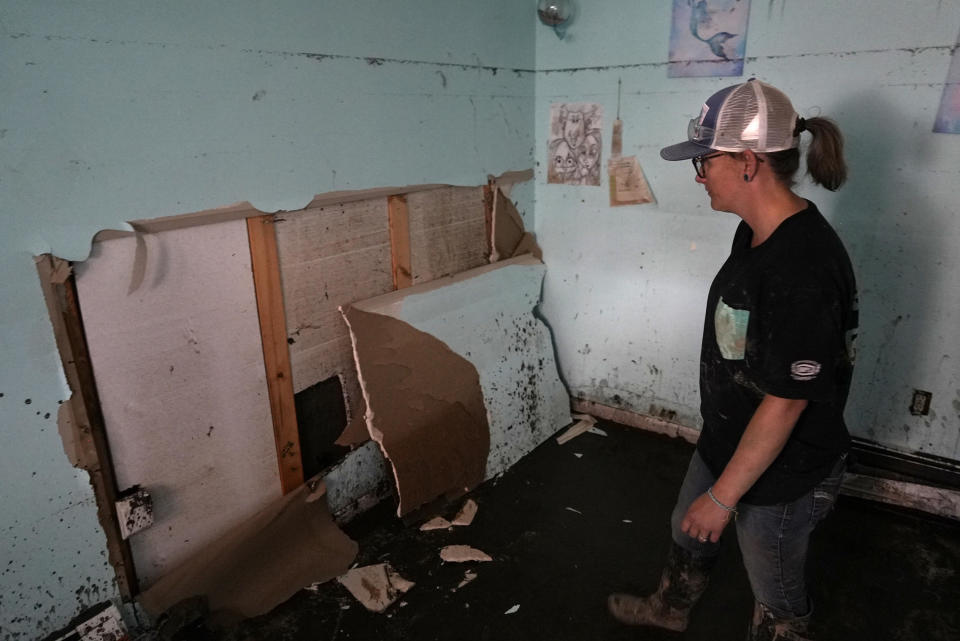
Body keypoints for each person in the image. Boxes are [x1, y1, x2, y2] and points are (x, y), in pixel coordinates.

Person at [607, 79, 858, 640]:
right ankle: (670, 608)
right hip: (733, 436)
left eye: (704, 162)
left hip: (788, 465)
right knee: (686, 525)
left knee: (774, 588)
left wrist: (723, 498)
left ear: (748, 162)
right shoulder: (754, 234)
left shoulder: (803, 269)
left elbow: (789, 402)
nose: (699, 178)